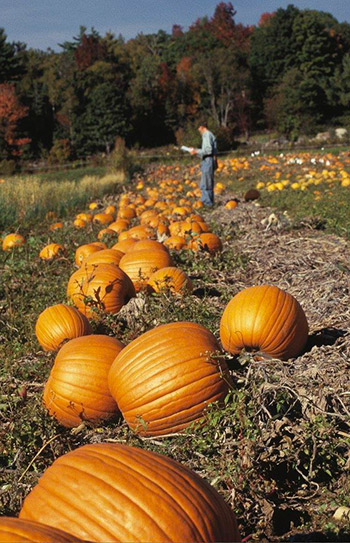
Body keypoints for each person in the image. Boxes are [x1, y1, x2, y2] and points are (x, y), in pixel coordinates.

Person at [190, 121, 217, 207]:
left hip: (208, 160)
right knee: (207, 181)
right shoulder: (209, 135)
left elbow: (208, 150)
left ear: (202, 127)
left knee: (206, 183)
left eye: (199, 128)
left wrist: (196, 151)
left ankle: (207, 203)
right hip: (209, 159)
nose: (198, 130)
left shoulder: (207, 135)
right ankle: (209, 202)